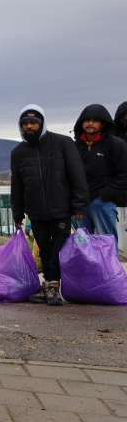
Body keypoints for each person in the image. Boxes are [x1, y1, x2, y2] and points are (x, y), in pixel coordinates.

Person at [10, 105, 88, 306]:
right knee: (44, 249)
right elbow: (17, 186)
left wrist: (79, 205)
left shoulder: (62, 143)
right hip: (35, 212)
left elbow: (77, 175)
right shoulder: (18, 152)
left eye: (34, 123)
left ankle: (53, 286)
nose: (29, 127)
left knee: (58, 249)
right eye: (25, 123)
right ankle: (50, 286)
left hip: (61, 209)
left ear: (42, 123)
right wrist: (17, 212)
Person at [73, 104, 127, 259]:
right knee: (82, 246)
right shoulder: (74, 146)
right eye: (87, 120)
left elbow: (123, 174)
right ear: (81, 123)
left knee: (106, 243)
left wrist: (106, 194)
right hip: (79, 205)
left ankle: (111, 278)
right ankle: (87, 279)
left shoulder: (116, 145)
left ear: (103, 123)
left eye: (94, 121)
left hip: (103, 202)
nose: (90, 124)